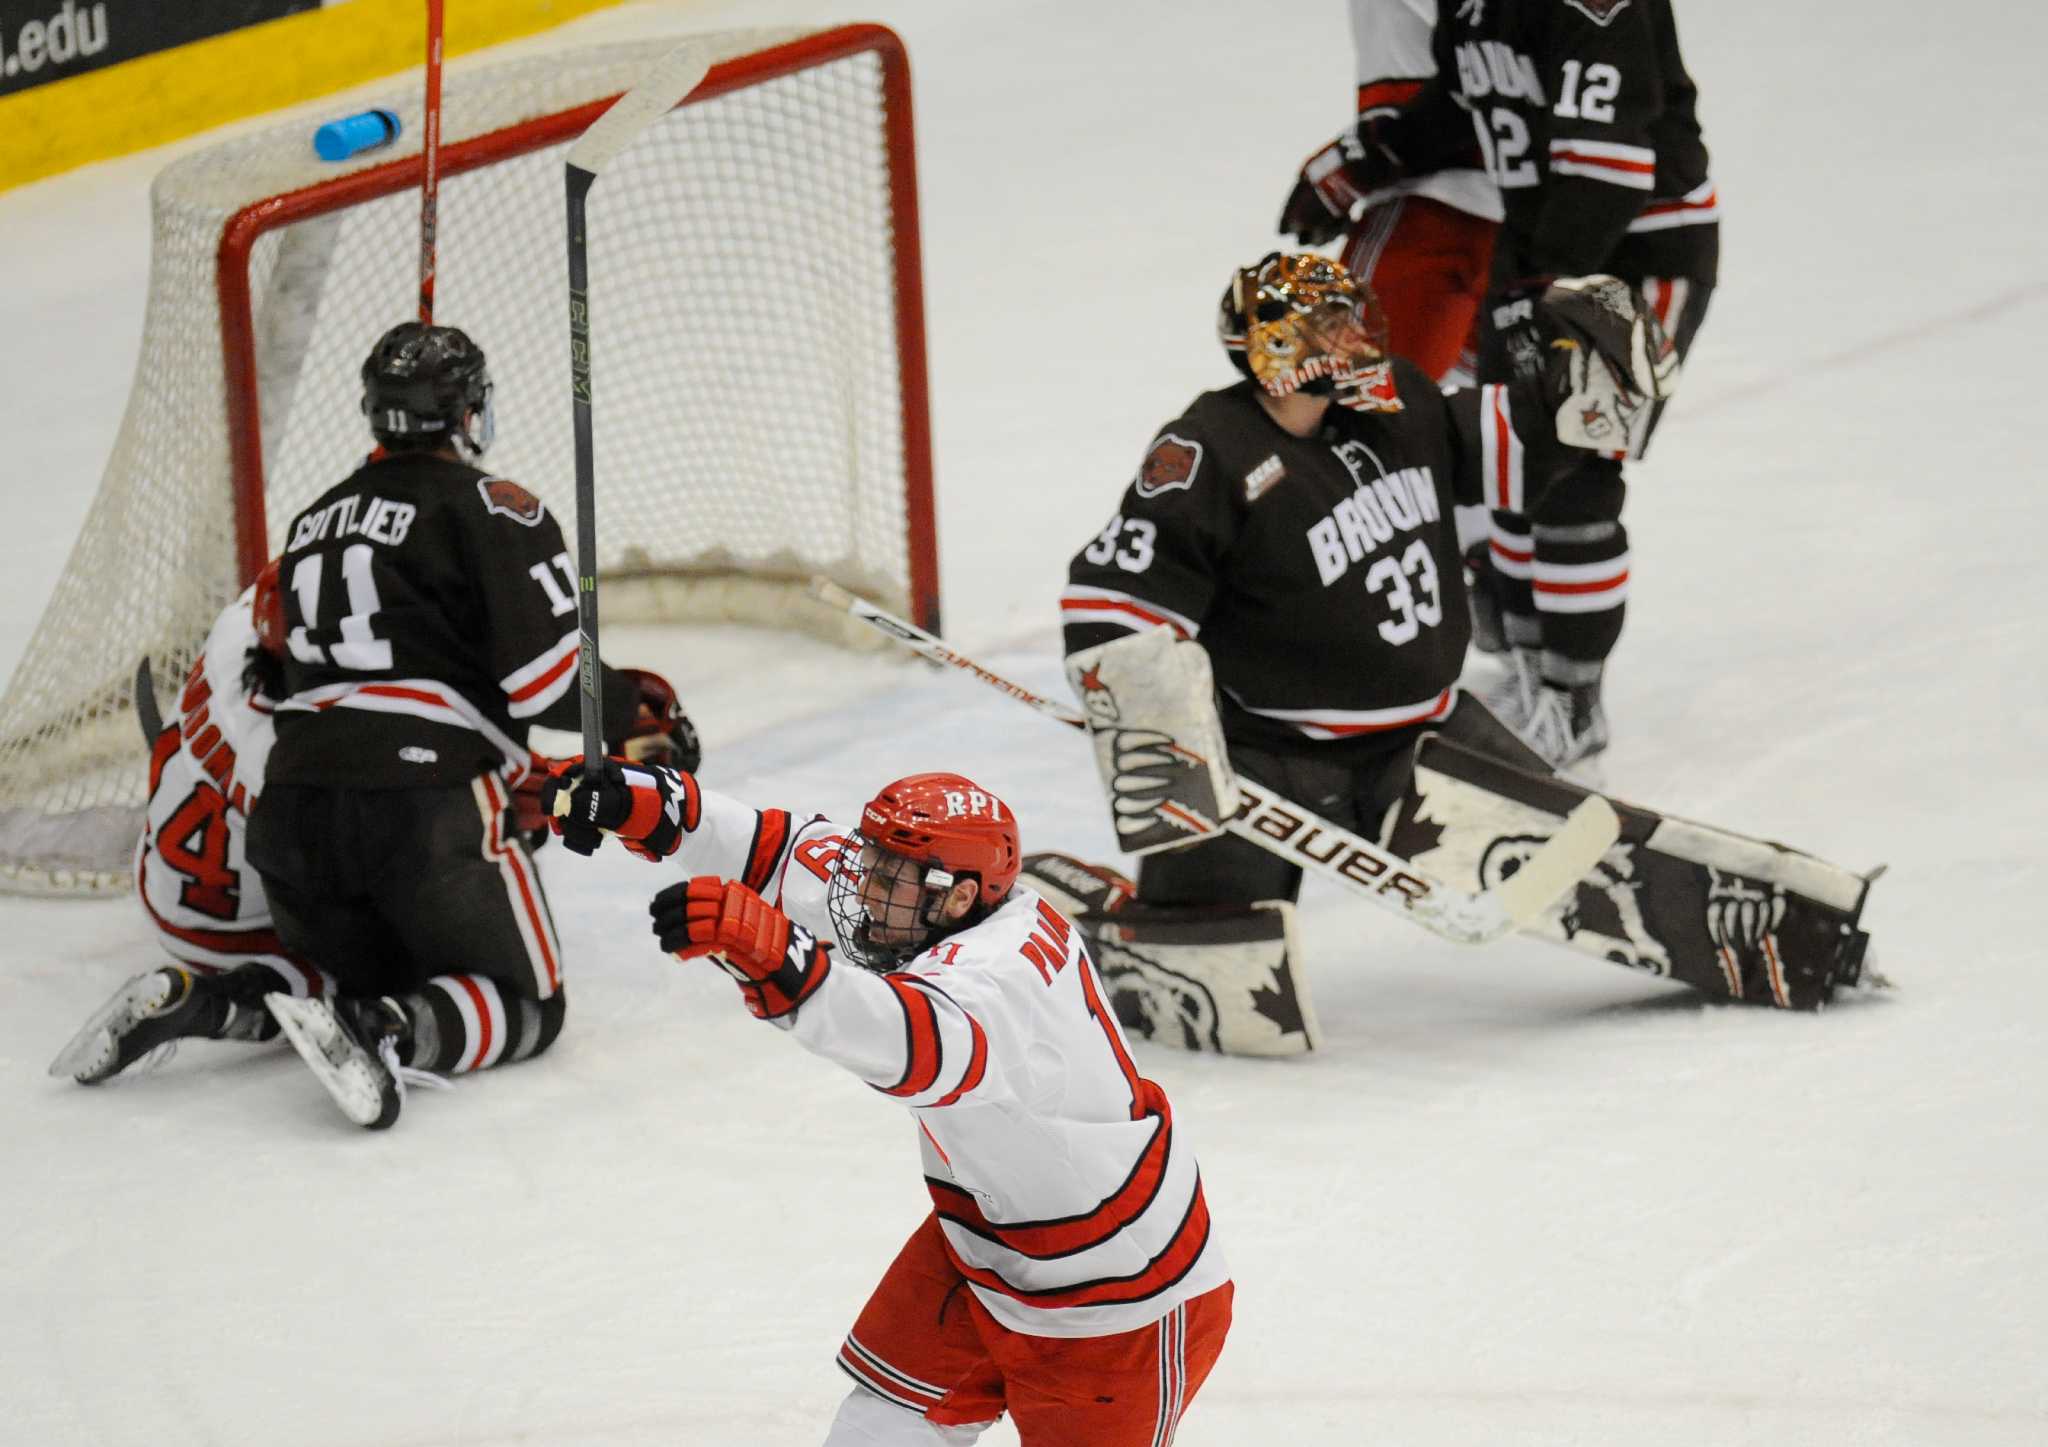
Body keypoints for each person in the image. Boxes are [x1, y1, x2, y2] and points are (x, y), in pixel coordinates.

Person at [1049, 252, 1675, 1051]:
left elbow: (1525, 447)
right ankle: (1108, 918)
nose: (1356, 338)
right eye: (1333, 325)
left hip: (1425, 737)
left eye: (1354, 319)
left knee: (1586, 862)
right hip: (1272, 755)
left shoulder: (1397, 403)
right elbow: (1113, 598)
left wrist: (1590, 389)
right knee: (1207, 977)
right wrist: (1149, 716)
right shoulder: (1207, 450)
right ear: (1280, 346)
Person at [538, 761, 1233, 1445]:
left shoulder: (998, 980)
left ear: (958, 896)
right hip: (985, 1246)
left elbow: (909, 1040)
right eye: (871, 863)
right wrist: (651, 805)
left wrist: (782, 962)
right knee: (878, 1429)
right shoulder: (937, 904)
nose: (862, 889)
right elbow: (778, 850)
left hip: (1119, 1302)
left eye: (884, 875)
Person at [166, 319, 695, 1130]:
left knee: (358, 977)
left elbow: (274, 669)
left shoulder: (310, 524)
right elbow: (551, 684)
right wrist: (635, 711)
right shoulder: (494, 505)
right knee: (528, 1003)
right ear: (467, 410)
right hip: (423, 810)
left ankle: (215, 1003)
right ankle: (388, 1033)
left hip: (293, 818)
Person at [1279, 0, 1720, 764]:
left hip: (1635, 254)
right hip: (1538, 250)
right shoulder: (1472, 6)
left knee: (1579, 468)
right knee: (1513, 460)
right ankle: (1527, 671)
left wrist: (1542, 286)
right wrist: (1357, 165)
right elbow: (1457, 115)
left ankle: (1574, 700)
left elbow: (1608, 166)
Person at [48, 563, 338, 1085]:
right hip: (235, 935)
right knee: (349, 978)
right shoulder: (292, 758)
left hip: (158, 875)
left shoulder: (233, 627)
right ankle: (208, 1005)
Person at [1280, 0, 1501, 388]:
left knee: (1349, 405)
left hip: (1431, 217)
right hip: (1530, 220)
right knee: (1481, 430)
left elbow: (1495, 63)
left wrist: (1352, 166)